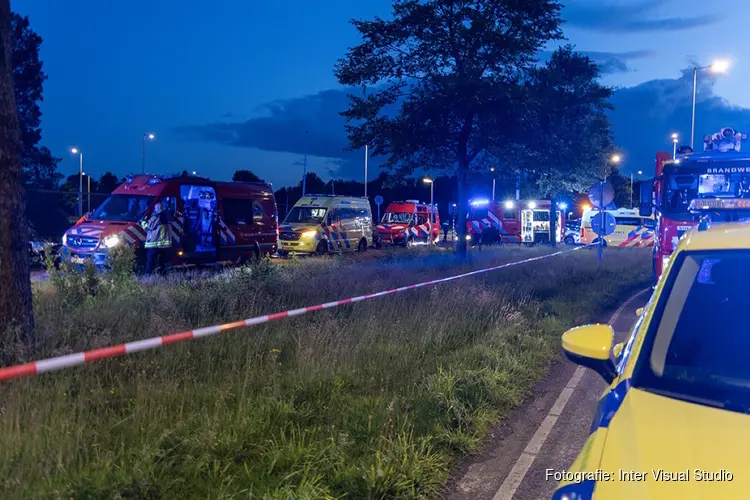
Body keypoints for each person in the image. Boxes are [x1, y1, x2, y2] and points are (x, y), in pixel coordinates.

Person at [142, 201, 173, 275]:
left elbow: (149, 228)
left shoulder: (156, 217)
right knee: (163, 261)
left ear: (156, 209)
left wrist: (143, 223)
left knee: (150, 260)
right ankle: (163, 275)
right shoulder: (168, 217)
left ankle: (148, 275)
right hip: (165, 244)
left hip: (154, 243)